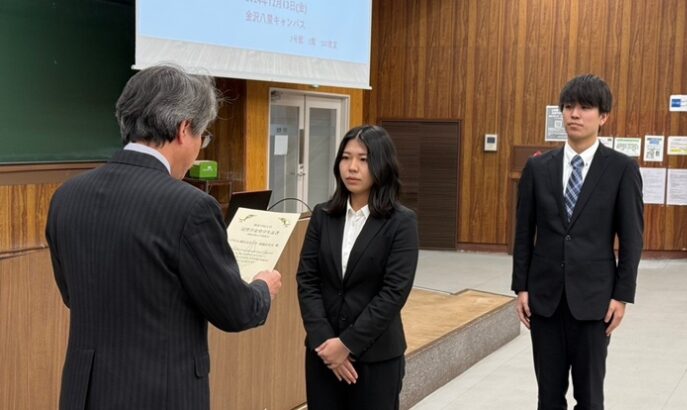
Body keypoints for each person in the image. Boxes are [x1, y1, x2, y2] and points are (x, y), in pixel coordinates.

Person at [45, 64, 282, 410]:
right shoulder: (191, 207)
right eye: (204, 135)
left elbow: (72, 294)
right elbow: (235, 311)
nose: (200, 147)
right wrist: (263, 287)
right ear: (185, 129)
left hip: (85, 393)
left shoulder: (67, 196)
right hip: (160, 393)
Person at [511, 74, 643, 409]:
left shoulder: (621, 169)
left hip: (595, 303)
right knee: (548, 396)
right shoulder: (538, 168)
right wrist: (521, 288)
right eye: (568, 106)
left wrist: (622, 296)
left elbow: (631, 239)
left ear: (603, 117)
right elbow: (524, 233)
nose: (574, 114)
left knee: (590, 397)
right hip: (545, 300)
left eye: (585, 107)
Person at [296, 124, 419, 410]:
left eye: (363, 159)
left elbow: (393, 293)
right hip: (323, 355)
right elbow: (307, 280)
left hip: (376, 358)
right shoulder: (323, 216)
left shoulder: (401, 223)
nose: (352, 167)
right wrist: (327, 343)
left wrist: (346, 345)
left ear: (382, 164)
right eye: (346, 157)